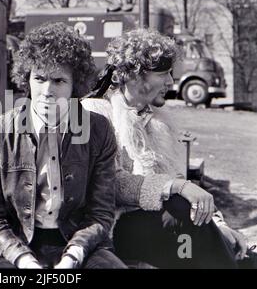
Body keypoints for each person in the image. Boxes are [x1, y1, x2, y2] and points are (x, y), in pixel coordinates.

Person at [82, 28, 248, 268]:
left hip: (162, 221)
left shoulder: (159, 121)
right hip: (116, 227)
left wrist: (220, 225)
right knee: (181, 217)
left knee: (228, 249)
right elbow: (110, 184)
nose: (171, 82)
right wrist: (175, 187)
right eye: (163, 73)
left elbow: (181, 180)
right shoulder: (98, 113)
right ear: (133, 75)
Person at [0, 22, 126, 269]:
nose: (47, 91)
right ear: (27, 79)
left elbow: (100, 213)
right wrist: (24, 261)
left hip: (79, 243)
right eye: (39, 78)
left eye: (58, 80)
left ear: (74, 86)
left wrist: (73, 256)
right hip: (13, 245)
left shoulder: (98, 130)